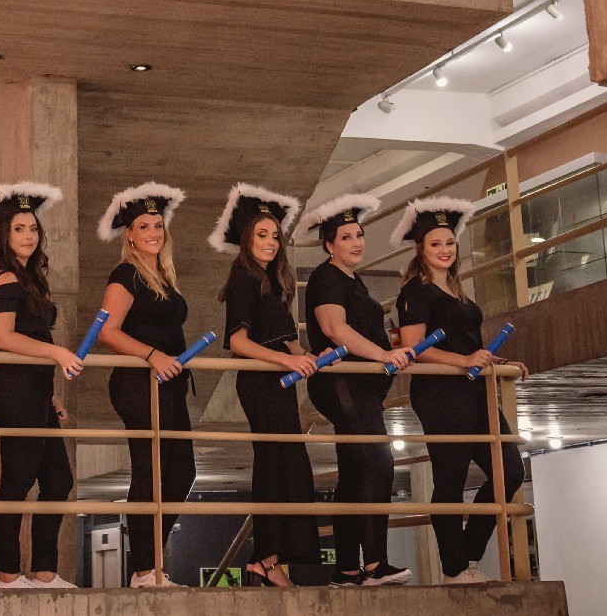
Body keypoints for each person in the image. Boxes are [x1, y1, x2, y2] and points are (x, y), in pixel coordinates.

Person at [392, 197, 528, 584]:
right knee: (449, 479)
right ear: (421, 249)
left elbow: (469, 344)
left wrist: (497, 364)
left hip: (474, 391)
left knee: (511, 471)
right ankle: (454, 569)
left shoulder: (457, 289)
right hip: (439, 393)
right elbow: (413, 347)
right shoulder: (415, 292)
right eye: (436, 244)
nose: (445, 250)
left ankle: (466, 554)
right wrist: (463, 362)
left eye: (450, 243)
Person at [211, 183, 329, 588]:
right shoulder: (244, 278)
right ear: (247, 240)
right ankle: (265, 559)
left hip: (279, 380)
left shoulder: (273, 282)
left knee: (289, 466)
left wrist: (307, 355)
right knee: (276, 465)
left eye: (275, 236)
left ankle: (268, 559)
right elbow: (239, 343)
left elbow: (284, 338)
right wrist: (289, 359)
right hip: (261, 382)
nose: (270, 242)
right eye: (262, 235)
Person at [0, 182, 82, 589]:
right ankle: (7, 574)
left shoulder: (29, 278)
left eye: (33, 228)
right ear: (4, 235)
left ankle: (46, 573)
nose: (29, 235)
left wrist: (49, 392)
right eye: (19, 228)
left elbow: (32, 339)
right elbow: (3, 338)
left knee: (58, 480)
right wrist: (58, 355)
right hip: (11, 388)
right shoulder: (3, 279)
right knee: (19, 478)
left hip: (33, 389)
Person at [301, 194, 413, 586]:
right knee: (378, 463)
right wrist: (384, 353)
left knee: (353, 472)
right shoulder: (326, 277)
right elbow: (335, 329)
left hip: (363, 386)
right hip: (341, 382)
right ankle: (374, 564)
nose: (357, 242)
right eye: (346, 237)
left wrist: (390, 347)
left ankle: (347, 569)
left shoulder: (354, 280)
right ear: (329, 244)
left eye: (359, 235)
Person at [97, 182, 196, 586]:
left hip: (170, 383)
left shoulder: (163, 275)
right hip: (139, 382)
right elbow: (107, 331)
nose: (154, 231)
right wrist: (152, 355)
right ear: (130, 235)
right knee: (150, 473)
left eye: (158, 224)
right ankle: (143, 570)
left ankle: (151, 562)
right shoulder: (126, 273)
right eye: (144, 226)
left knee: (181, 472)